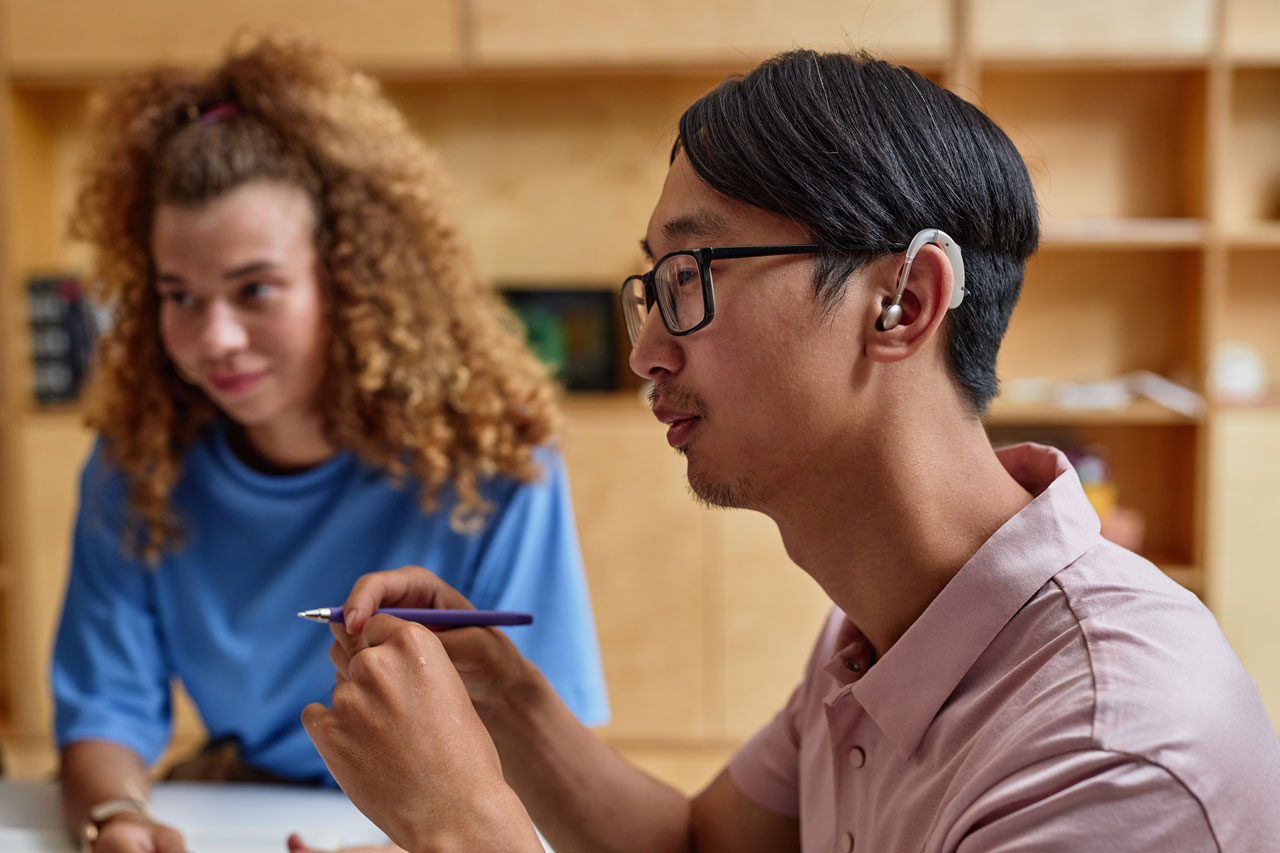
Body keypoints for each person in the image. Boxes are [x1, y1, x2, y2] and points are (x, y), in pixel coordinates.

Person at [301, 49, 1280, 852]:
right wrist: (501, 695)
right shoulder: (884, 626)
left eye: (689, 275)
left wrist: (456, 824)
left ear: (904, 301)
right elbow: (694, 848)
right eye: (651, 287)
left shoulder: (1110, 753)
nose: (645, 350)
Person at [51, 37, 609, 853]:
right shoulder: (136, 467)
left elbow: (549, 748)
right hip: (241, 808)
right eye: (180, 295)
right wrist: (118, 819)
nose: (217, 337)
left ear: (347, 276)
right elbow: (105, 712)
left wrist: (418, 841)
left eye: (255, 289)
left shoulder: (496, 464)